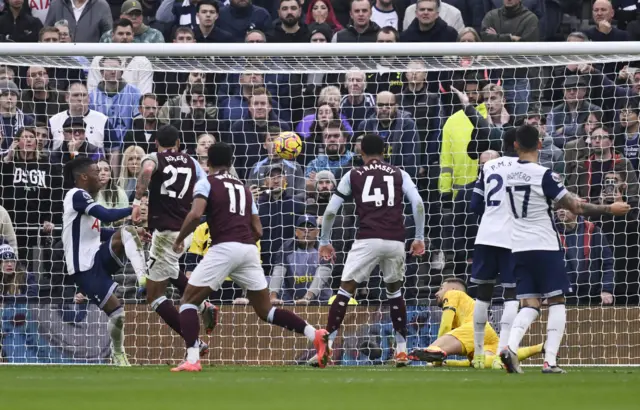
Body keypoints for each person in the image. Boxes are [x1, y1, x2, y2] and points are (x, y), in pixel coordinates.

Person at [170, 142, 328, 372]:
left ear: (209, 163)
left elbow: (195, 214)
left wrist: (179, 238)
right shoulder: (244, 188)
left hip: (224, 247)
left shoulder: (206, 182)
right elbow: (259, 230)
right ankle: (315, 334)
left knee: (187, 301)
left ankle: (193, 358)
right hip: (248, 249)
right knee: (266, 311)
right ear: (231, 163)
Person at [500, 125, 631, 374]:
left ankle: (511, 347)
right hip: (544, 245)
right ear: (540, 144)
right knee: (557, 300)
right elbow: (576, 208)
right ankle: (550, 360)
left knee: (530, 303)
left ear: (516, 145)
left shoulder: (507, 175)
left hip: (517, 245)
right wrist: (608, 209)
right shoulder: (544, 175)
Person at [317, 133, 426, 368]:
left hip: (367, 238)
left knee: (345, 292)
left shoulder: (353, 174)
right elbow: (417, 202)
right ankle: (401, 351)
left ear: (361, 152)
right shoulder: (400, 173)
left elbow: (330, 211)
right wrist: (418, 237)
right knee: (395, 293)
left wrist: (324, 240)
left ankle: (328, 347)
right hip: (396, 240)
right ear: (385, 152)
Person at [131, 125, 218, 351]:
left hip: (167, 234)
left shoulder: (154, 158)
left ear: (156, 143)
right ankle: (201, 312)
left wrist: (137, 201)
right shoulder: (192, 162)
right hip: (186, 229)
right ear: (178, 143)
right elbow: (206, 185)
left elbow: (148, 171)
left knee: (154, 295)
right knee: (168, 271)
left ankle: (197, 328)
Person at [61, 157, 150, 366]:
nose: (101, 175)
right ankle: (118, 354)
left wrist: (133, 231)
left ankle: (143, 279)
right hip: (85, 268)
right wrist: (132, 209)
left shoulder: (87, 200)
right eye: (95, 171)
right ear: (84, 177)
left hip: (98, 256)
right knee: (117, 313)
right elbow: (107, 215)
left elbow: (101, 232)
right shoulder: (76, 195)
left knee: (127, 231)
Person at [408, 278, 544, 369]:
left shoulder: (453, 295)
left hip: (474, 328)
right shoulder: (466, 306)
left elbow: (445, 324)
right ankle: (540, 347)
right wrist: (447, 363)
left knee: (433, 349)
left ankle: (433, 353)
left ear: (453, 289)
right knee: (492, 360)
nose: (437, 293)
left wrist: (436, 347)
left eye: (441, 287)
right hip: (488, 333)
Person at [467, 141, 519, 369]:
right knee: (511, 293)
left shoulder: (488, 167)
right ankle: (501, 353)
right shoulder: (524, 167)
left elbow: (475, 204)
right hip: (513, 238)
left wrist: (492, 213)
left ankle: (478, 354)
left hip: (486, 236)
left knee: (483, 293)